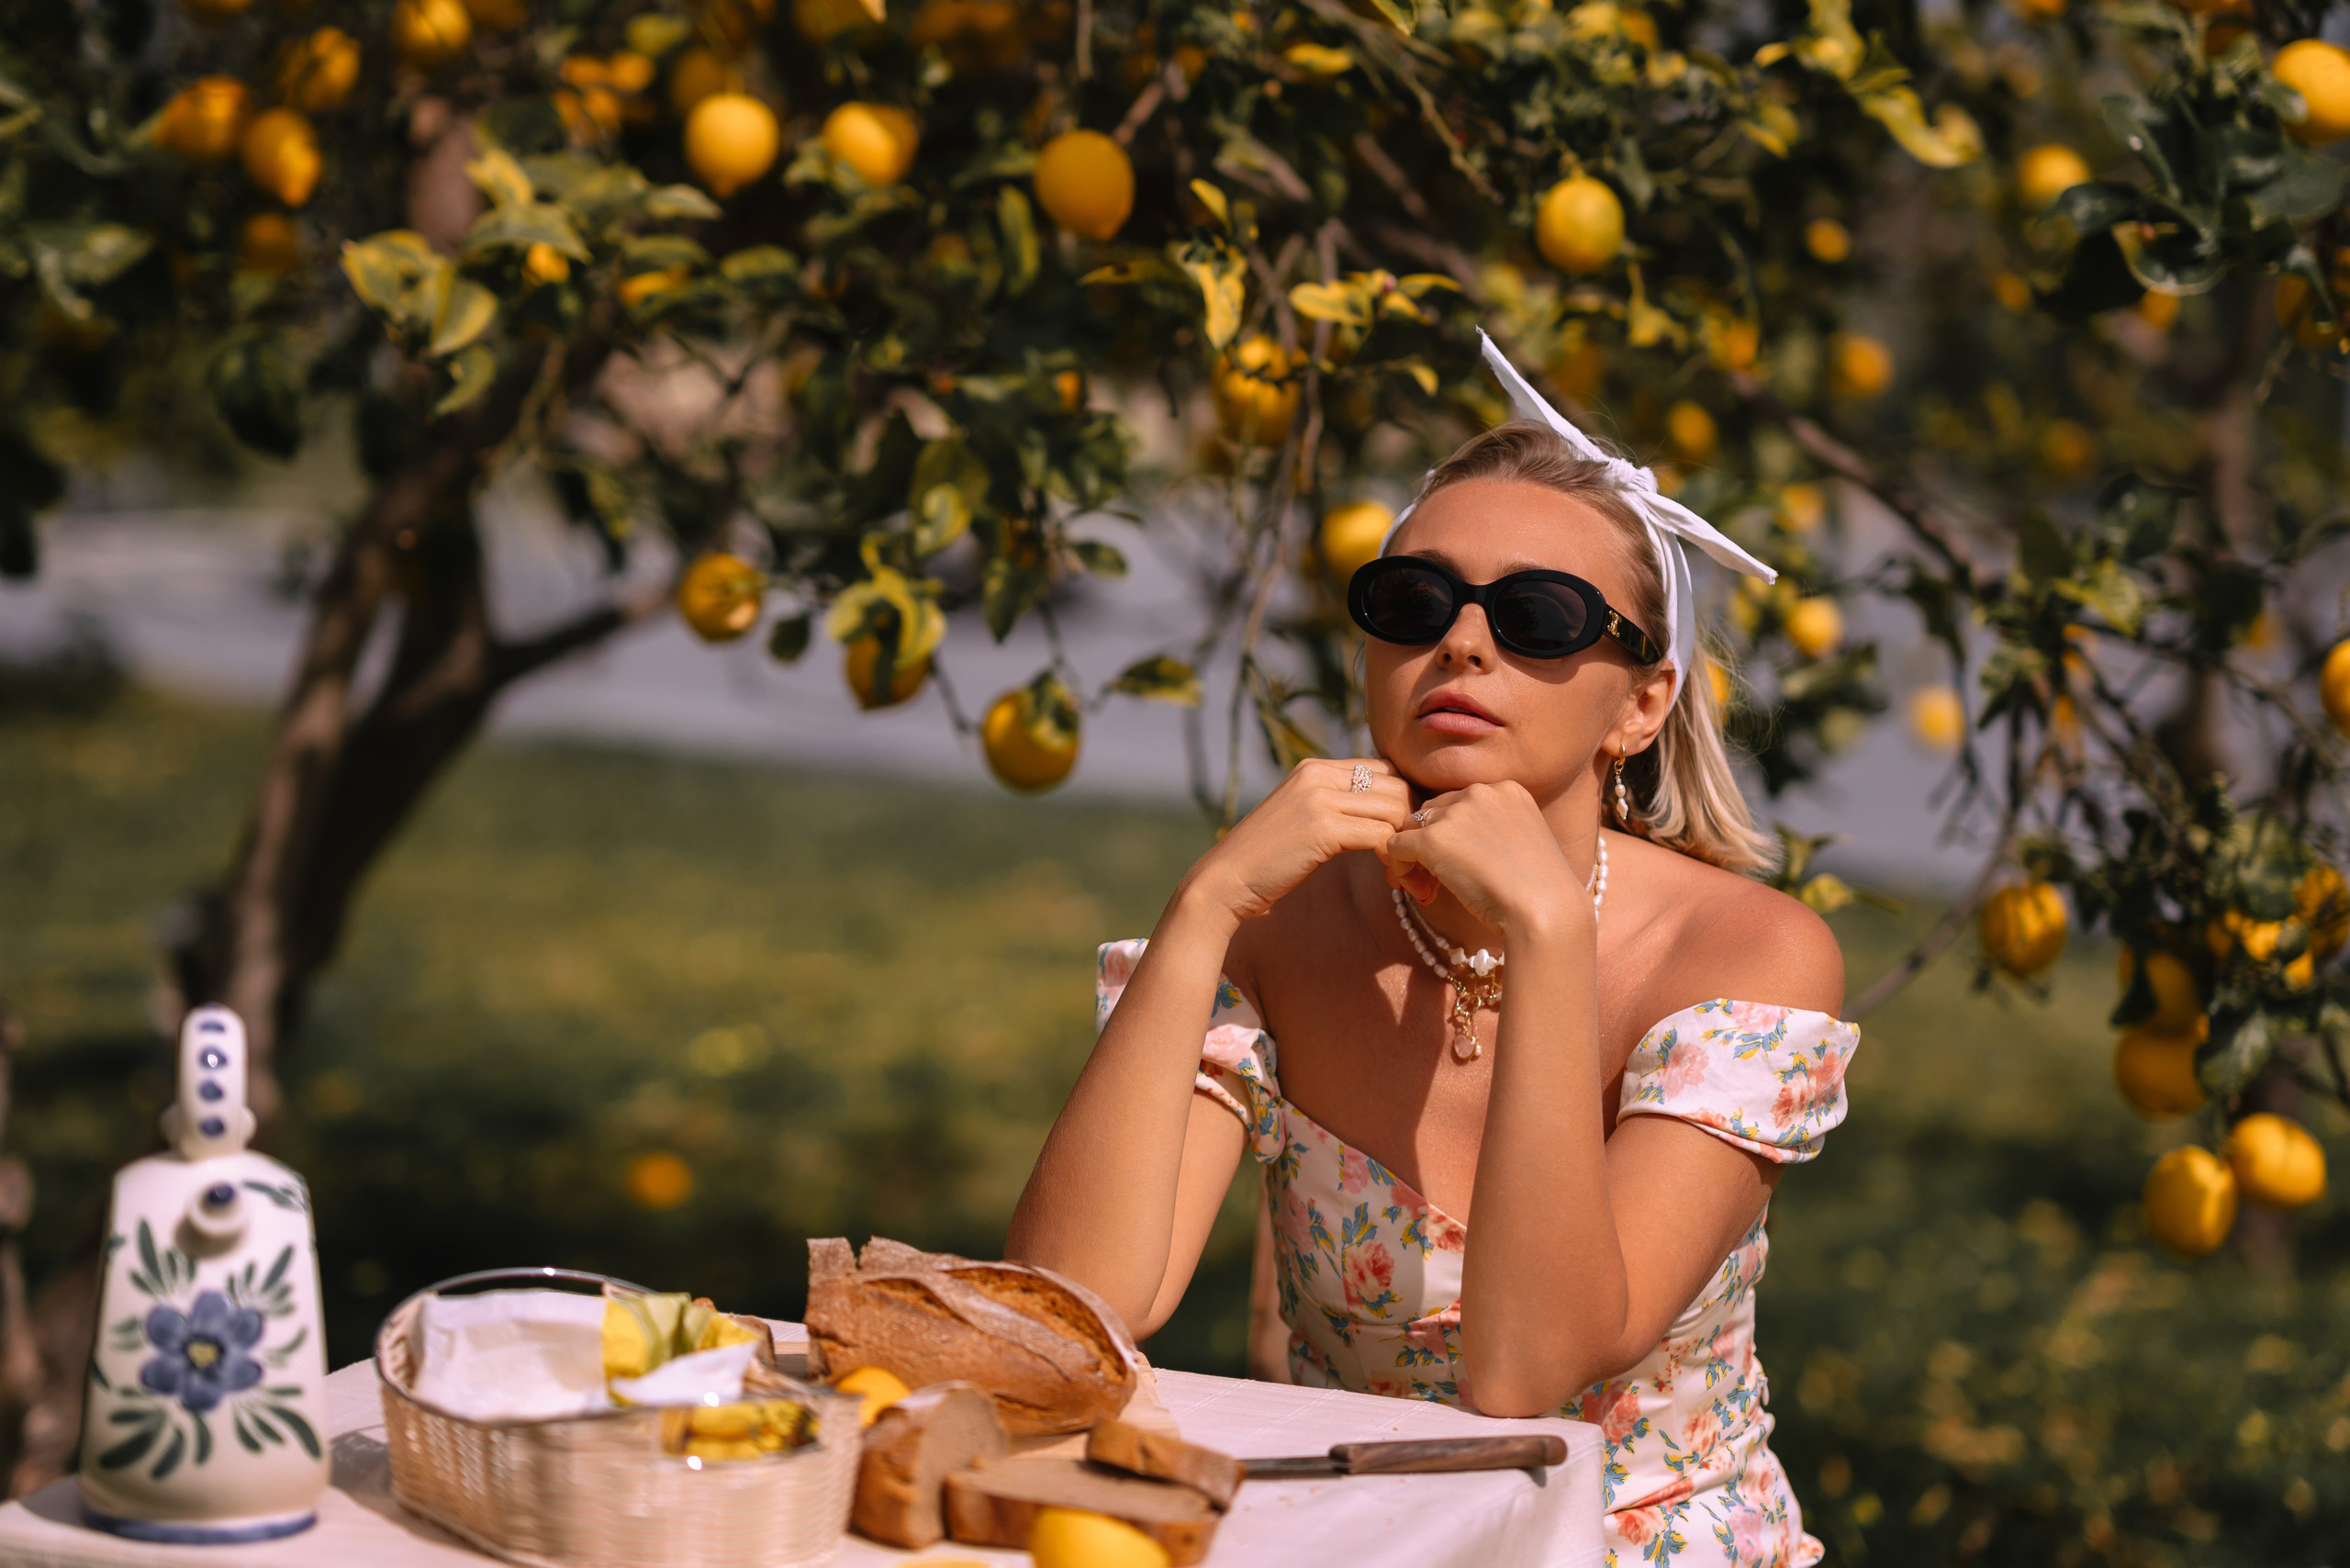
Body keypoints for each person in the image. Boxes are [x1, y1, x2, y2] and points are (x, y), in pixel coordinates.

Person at [1007, 336, 1859, 1567]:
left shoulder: (1745, 957)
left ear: (1641, 702)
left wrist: (1549, 937)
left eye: (1537, 617)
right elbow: (1074, 1311)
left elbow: (1528, 1370)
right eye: (1414, 602)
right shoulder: (1281, 924)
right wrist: (1204, 910)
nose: (1463, 645)